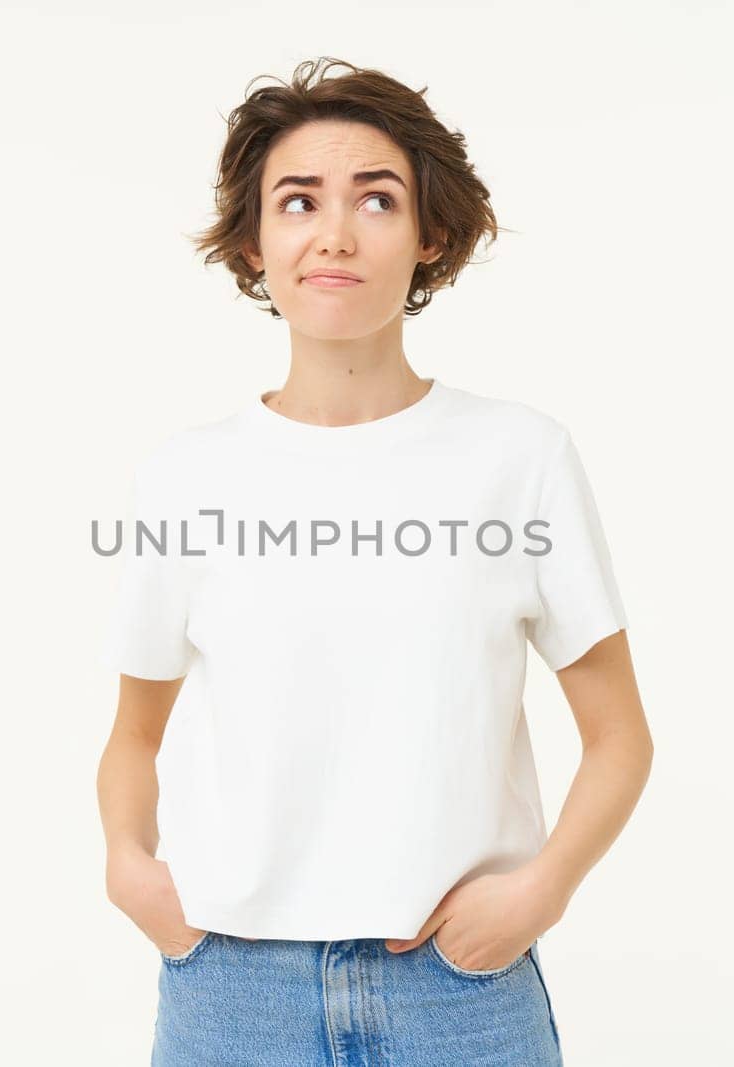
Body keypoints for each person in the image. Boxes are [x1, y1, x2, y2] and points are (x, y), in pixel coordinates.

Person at [96, 57, 653, 1066]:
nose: (335, 232)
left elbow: (619, 736)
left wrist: (540, 892)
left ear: (429, 234)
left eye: (377, 198)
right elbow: (134, 735)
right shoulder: (186, 478)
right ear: (256, 242)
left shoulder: (519, 458)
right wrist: (132, 872)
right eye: (297, 200)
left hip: (459, 989)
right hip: (233, 992)